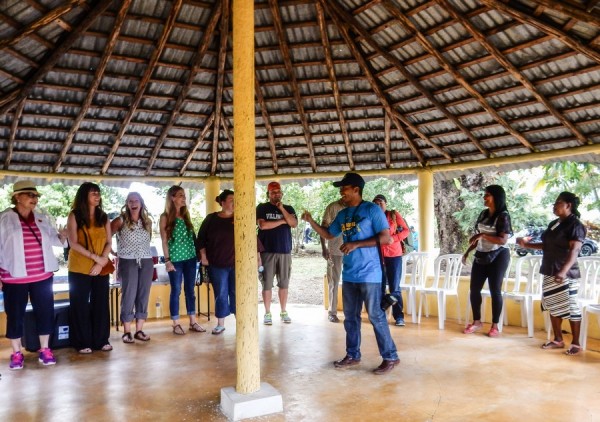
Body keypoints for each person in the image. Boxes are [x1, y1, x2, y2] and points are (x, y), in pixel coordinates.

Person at [302, 172, 400, 375]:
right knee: (350, 317)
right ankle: (353, 355)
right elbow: (330, 234)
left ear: (356, 189)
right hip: (350, 274)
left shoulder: (372, 210)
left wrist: (356, 244)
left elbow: (386, 239)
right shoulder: (343, 214)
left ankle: (390, 356)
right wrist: (311, 221)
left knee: (375, 315)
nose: (341, 192)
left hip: (370, 274)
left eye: (344, 188)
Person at [0, 181, 67, 369]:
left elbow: (55, 241)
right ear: (17, 197)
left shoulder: (41, 218)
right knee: (15, 315)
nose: (34, 199)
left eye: (36, 196)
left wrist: (62, 236)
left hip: (42, 276)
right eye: (30, 195)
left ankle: (45, 349)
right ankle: (16, 353)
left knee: (45, 313)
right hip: (13, 277)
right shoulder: (3, 218)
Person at [516, 192, 585, 356]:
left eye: (558, 203)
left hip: (566, 273)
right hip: (549, 270)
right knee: (553, 305)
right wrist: (526, 245)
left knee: (571, 306)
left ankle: (576, 343)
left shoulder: (575, 225)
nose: (554, 206)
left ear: (568, 205)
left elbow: (575, 250)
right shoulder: (554, 224)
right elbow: (547, 245)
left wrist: (563, 271)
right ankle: (558, 339)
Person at [67, 182, 113, 354]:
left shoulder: (103, 216)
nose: (97, 195)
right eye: (93, 192)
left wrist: (101, 260)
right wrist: (96, 258)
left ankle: (101, 340)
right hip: (80, 267)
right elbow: (73, 243)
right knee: (80, 304)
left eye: (98, 192)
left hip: (101, 266)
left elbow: (109, 241)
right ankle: (82, 342)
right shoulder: (75, 216)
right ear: (84, 195)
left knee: (101, 303)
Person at [462, 185, 512, 338]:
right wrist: (467, 252)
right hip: (481, 254)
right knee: (474, 289)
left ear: (496, 197)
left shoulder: (503, 216)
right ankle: (477, 322)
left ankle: (495, 326)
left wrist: (483, 235)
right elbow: (478, 237)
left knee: (494, 290)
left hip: (499, 256)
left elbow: (502, 240)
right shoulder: (483, 214)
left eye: (487, 195)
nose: (484, 197)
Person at [160, 186, 204, 335]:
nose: (184, 198)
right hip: (176, 260)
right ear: (172, 198)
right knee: (176, 291)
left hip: (190, 258)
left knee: (190, 291)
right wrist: (167, 260)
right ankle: (176, 323)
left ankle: (193, 321)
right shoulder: (165, 217)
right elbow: (164, 240)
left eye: (184, 195)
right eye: (180, 195)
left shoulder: (186, 215)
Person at [111, 192, 153, 343]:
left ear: (141, 203)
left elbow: (148, 241)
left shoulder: (147, 221)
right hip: (127, 260)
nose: (133, 203)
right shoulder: (120, 220)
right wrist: (112, 252)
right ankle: (127, 331)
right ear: (127, 204)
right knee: (129, 294)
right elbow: (106, 235)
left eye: (136, 200)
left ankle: (139, 330)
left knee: (143, 294)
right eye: (130, 201)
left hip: (146, 260)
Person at [256, 181, 297, 325]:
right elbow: (263, 225)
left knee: (284, 283)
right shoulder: (262, 207)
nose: (276, 194)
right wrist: (282, 221)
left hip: (285, 251)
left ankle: (283, 311)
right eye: (273, 192)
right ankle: (267, 313)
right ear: (268, 194)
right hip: (267, 251)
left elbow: (293, 223)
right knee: (267, 283)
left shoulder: (288, 208)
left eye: (278, 192)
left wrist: (282, 210)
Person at [196, 190, 236, 335]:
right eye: (231, 199)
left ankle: (241, 322)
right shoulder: (211, 219)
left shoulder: (240, 218)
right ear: (223, 202)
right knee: (221, 293)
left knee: (236, 292)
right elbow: (200, 239)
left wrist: (257, 257)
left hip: (236, 263)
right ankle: (220, 324)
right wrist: (203, 256)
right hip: (217, 263)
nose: (234, 202)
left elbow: (252, 237)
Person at [372, 194, 409, 327]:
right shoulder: (372, 217)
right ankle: (381, 315)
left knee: (394, 287)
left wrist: (395, 238)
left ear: (386, 203)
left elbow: (406, 231)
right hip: (378, 255)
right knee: (379, 287)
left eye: (381, 202)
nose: (378, 205)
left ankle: (399, 316)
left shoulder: (393, 215)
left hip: (394, 254)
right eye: (375, 203)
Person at [320, 198, 346, 323]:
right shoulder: (333, 207)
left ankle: (351, 313)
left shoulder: (358, 207)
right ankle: (332, 312)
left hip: (353, 252)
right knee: (333, 282)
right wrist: (324, 247)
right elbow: (323, 228)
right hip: (335, 250)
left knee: (352, 283)